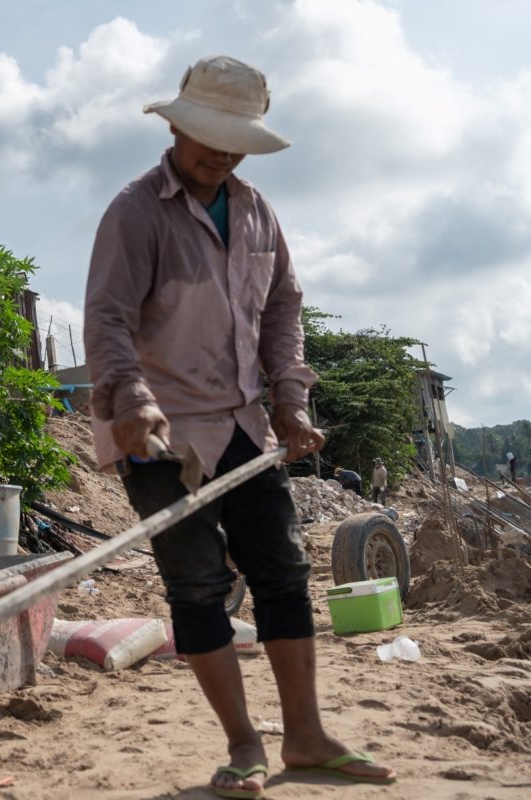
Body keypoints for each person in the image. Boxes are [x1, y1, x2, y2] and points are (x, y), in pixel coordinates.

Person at [84, 55, 396, 798]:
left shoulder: (256, 211)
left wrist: (290, 399)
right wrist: (129, 399)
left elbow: (282, 309)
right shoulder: (136, 213)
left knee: (283, 574)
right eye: (206, 137)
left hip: (246, 430)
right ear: (174, 125)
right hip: (159, 438)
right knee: (196, 588)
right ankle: (244, 744)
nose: (219, 153)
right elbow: (107, 319)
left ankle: (307, 737)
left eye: (234, 141)